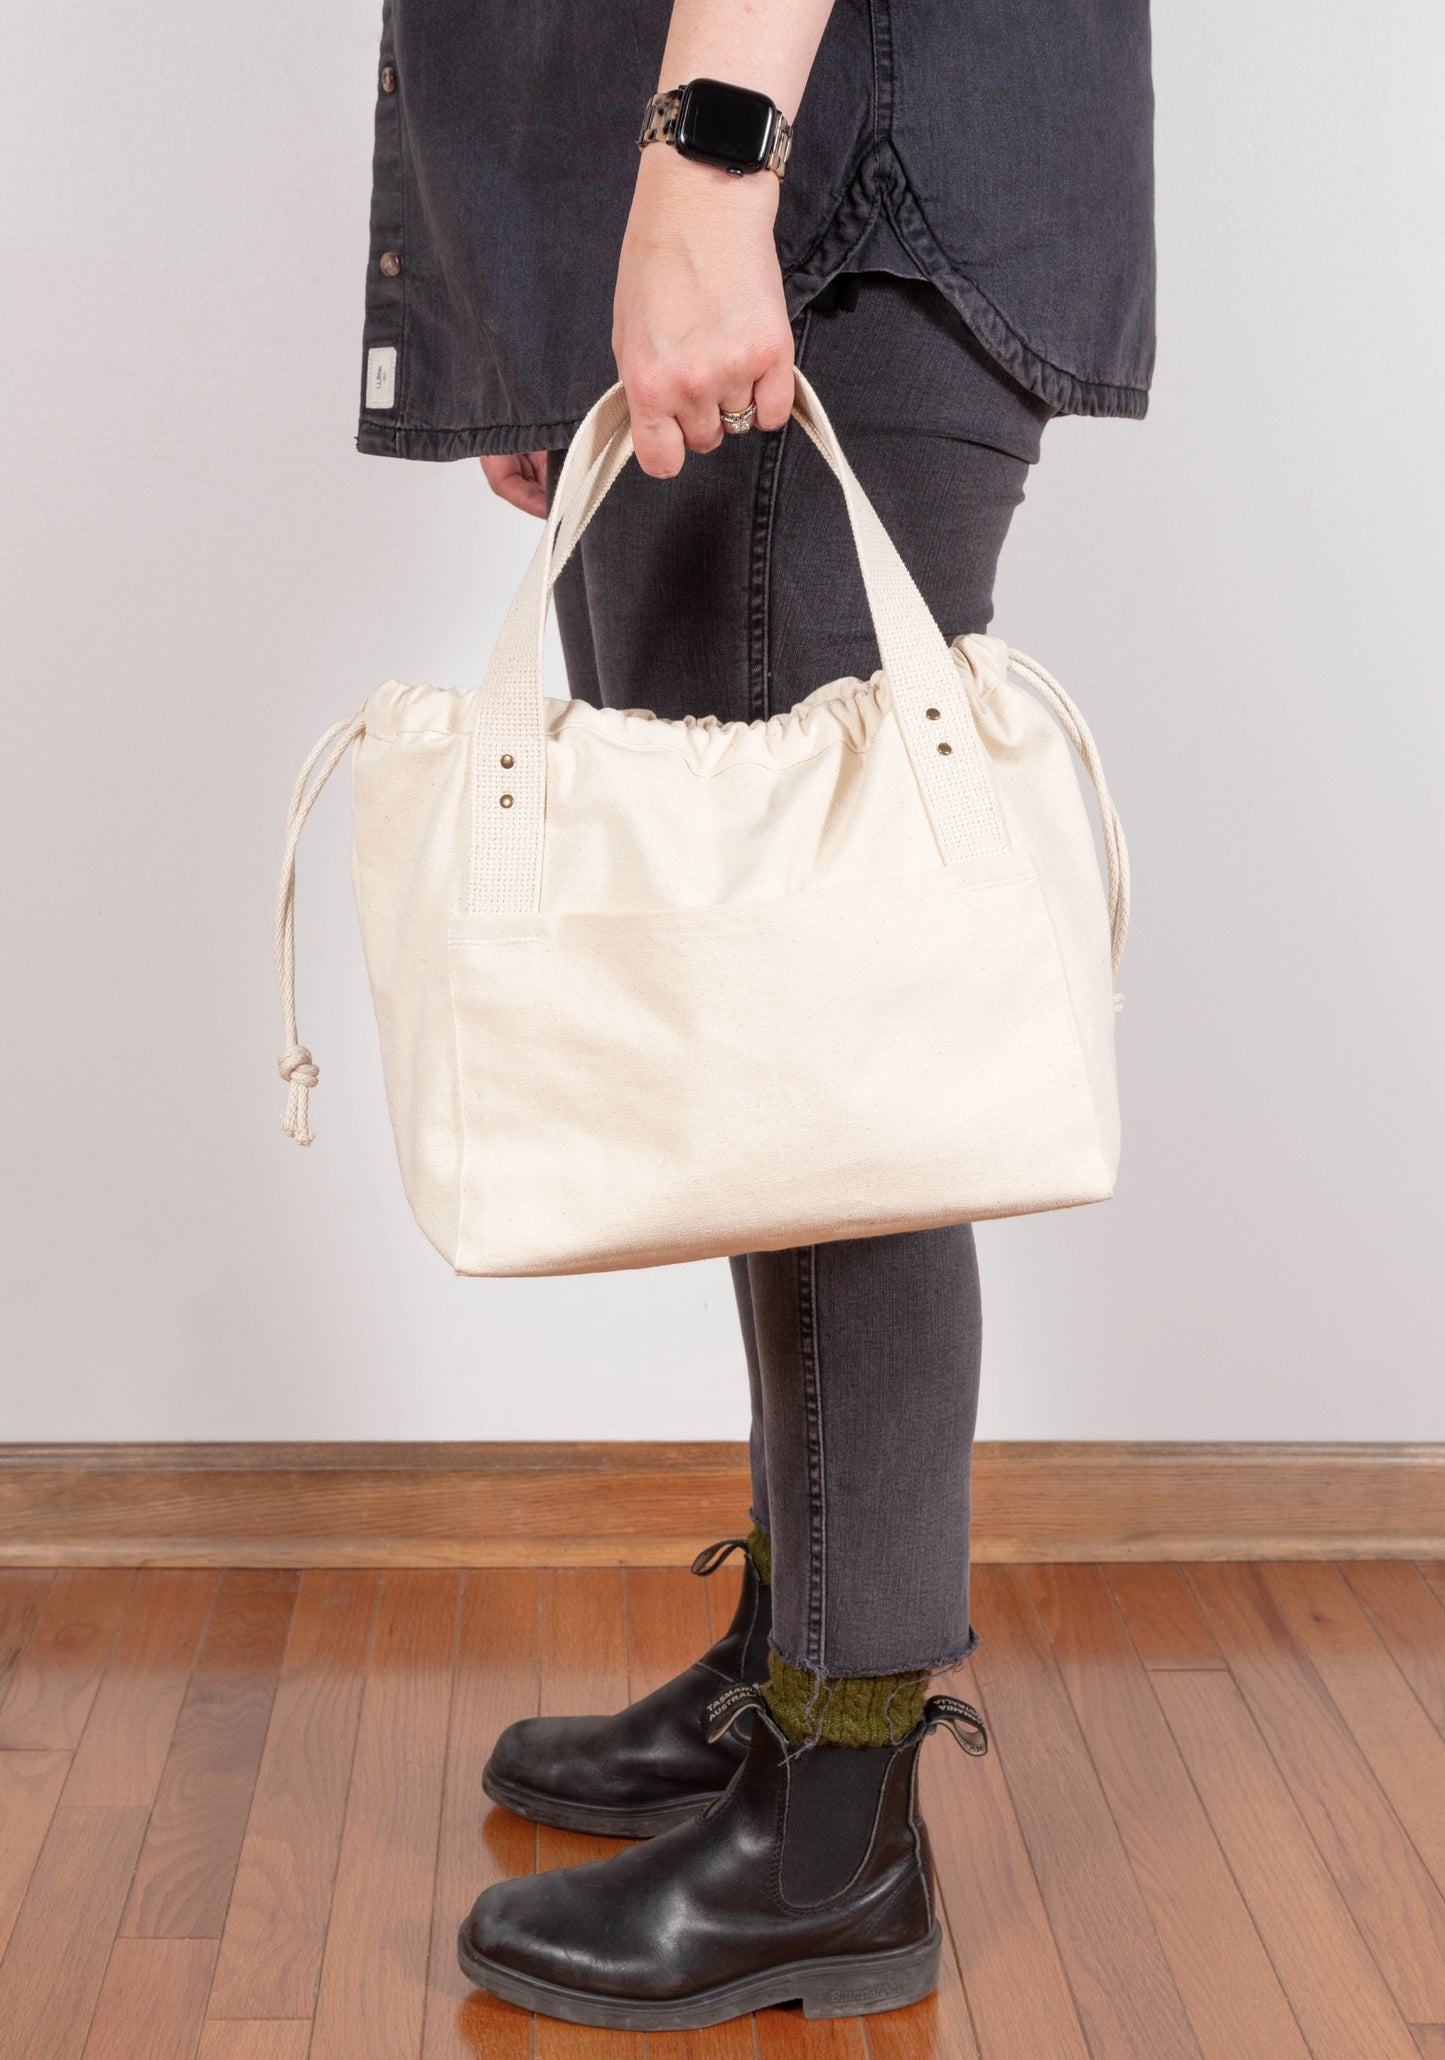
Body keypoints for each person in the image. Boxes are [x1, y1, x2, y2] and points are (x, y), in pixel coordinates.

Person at [356, 0, 1153, 2029]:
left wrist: (707, 178)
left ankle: (835, 1821)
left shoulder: (737, 184)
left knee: (835, 1034)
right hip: (738, 188)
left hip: (808, 192)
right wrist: (544, 268)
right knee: (774, 1020)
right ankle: (790, 1670)